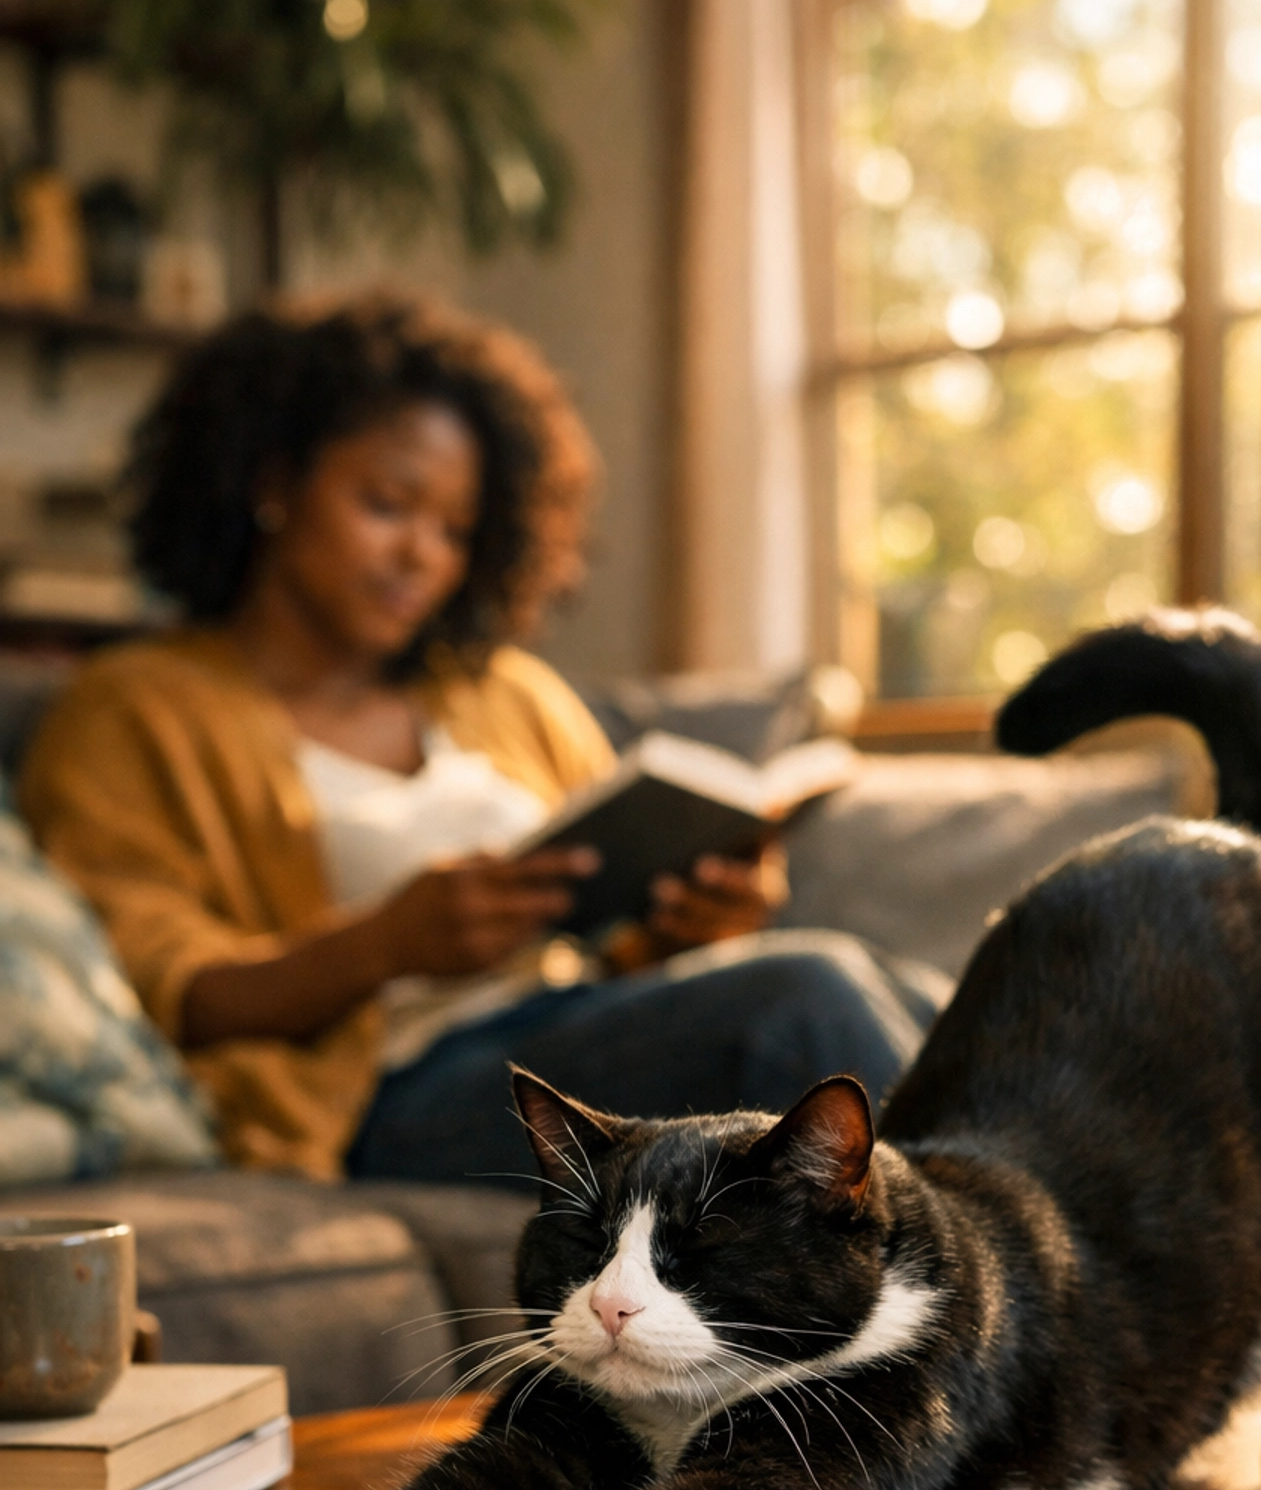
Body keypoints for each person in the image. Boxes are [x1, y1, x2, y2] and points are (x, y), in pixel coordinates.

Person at [20, 292, 931, 1186]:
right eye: (387, 503)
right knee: (805, 996)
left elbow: (610, 949)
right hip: (390, 1093)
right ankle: (996, 1287)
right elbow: (156, 990)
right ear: (274, 481)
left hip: (580, 1030)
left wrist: (691, 924)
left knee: (921, 989)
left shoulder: (506, 696)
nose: (424, 553)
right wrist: (385, 946)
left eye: (456, 529)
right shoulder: (134, 709)